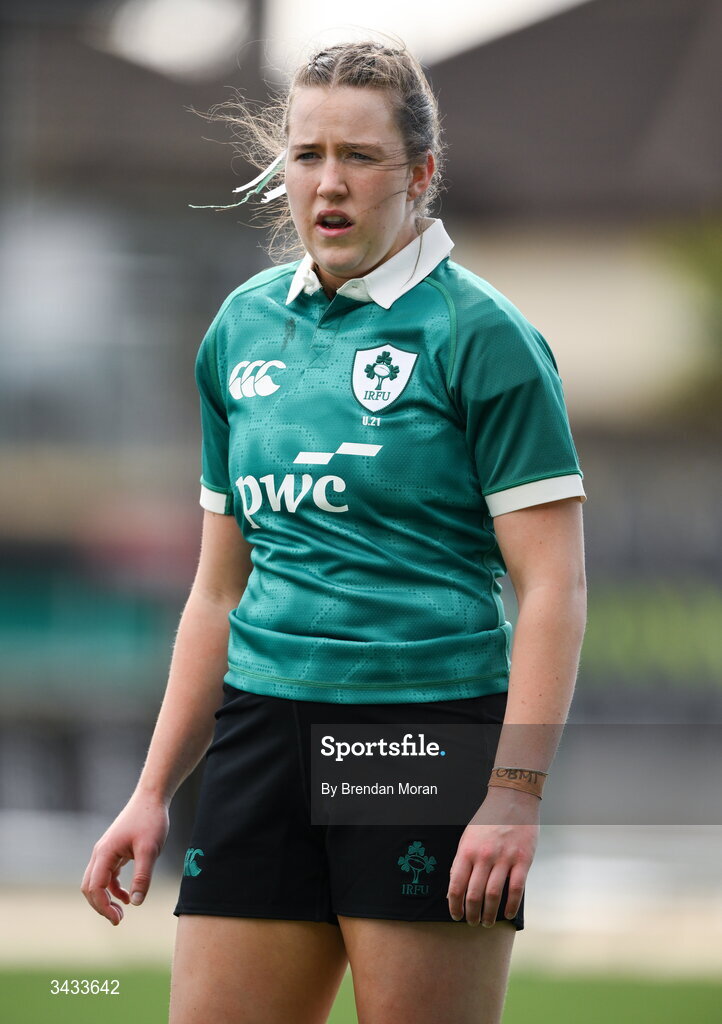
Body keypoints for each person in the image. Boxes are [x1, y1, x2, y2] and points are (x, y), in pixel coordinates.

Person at [81, 40, 587, 1024]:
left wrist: (515, 789)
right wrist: (151, 790)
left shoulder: (480, 337)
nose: (328, 183)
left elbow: (553, 587)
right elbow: (217, 591)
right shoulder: (239, 329)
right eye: (307, 154)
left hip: (418, 732)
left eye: (358, 156)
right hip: (258, 735)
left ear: (420, 174)